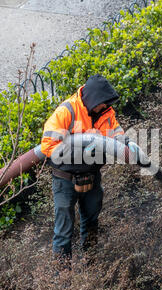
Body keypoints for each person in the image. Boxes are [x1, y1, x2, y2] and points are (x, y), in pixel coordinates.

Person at [40, 74, 130, 261]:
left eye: (106, 103)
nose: (104, 107)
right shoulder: (67, 111)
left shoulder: (106, 112)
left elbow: (116, 134)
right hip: (65, 179)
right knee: (64, 231)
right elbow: (48, 146)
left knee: (91, 222)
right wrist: (83, 152)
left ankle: (92, 265)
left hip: (92, 176)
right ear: (92, 98)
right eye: (102, 103)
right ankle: (63, 277)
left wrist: (126, 145)